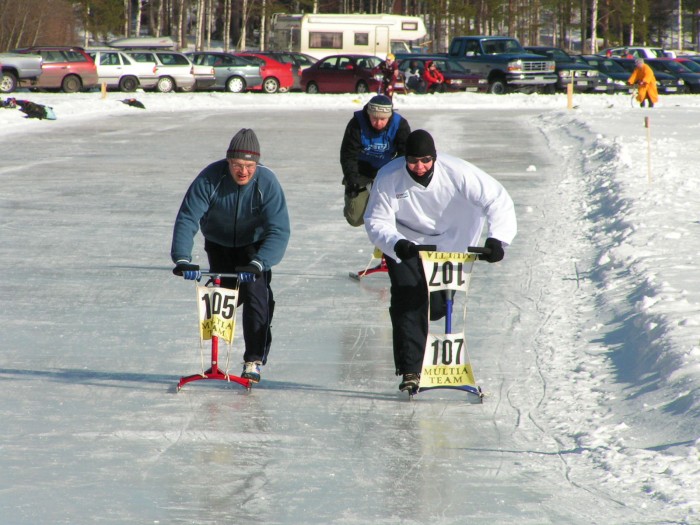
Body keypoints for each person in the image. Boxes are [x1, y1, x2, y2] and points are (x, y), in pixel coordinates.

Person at [363, 129, 517, 393]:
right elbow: (376, 220)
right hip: (405, 242)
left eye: (425, 160)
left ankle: (436, 348)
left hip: (452, 239)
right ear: (405, 159)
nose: (419, 167)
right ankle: (411, 370)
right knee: (408, 300)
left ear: (434, 157)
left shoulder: (458, 171)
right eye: (413, 161)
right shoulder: (389, 176)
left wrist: (497, 240)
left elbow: (496, 198)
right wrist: (397, 244)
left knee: (436, 308)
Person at [171, 128, 290, 384]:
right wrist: (182, 258)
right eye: (237, 164)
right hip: (219, 244)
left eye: (249, 165)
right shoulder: (210, 178)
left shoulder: (267, 183)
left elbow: (279, 229)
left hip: (254, 248)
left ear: (257, 164)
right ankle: (214, 360)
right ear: (228, 162)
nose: (243, 171)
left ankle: (253, 359)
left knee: (257, 295)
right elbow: (188, 216)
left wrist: (259, 262)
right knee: (224, 297)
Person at [339, 94, 411, 227]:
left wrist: (399, 178)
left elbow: (405, 155)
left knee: (397, 217)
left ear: (389, 116)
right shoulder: (357, 124)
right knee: (355, 219)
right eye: (374, 119)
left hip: (387, 171)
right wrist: (352, 181)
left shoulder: (400, 125)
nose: (378, 123)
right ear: (368, 114)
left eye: (383, 119)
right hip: (361, 171)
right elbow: (348, 155)